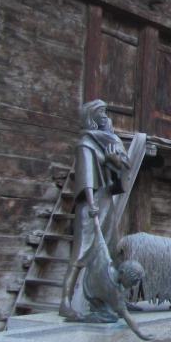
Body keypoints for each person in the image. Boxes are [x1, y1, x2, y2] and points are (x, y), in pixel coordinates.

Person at [59, 99, 131, 318]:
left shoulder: (108, 141)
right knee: (80, 255)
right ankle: (65, 302)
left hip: (106, 202)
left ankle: (112, 300)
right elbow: (86, 176)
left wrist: (114, 160)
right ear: (91, 116)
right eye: (101, 113)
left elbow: (120, 168)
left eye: (106, 112)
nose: (105, 117)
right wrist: (90, 204)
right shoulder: (86, 143)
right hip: (91, 205)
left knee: (110, 252)